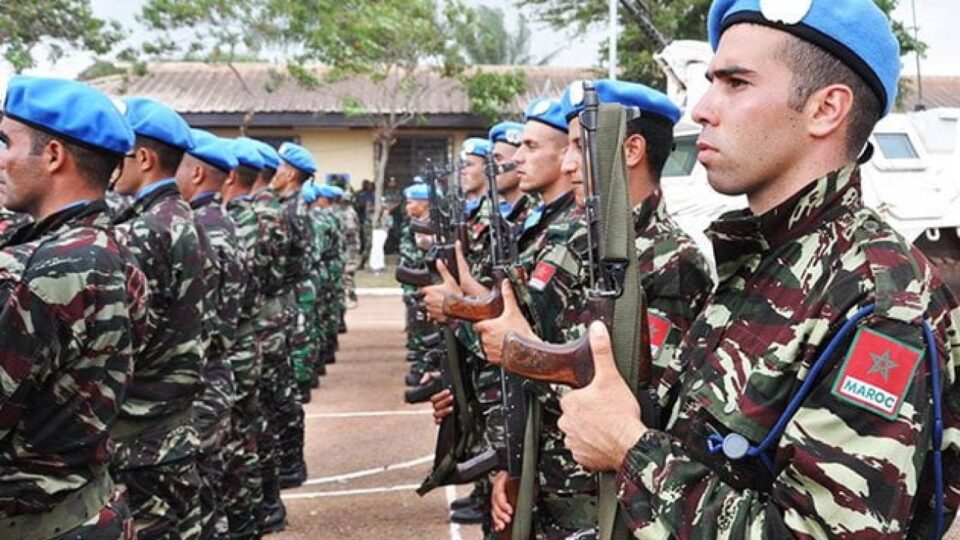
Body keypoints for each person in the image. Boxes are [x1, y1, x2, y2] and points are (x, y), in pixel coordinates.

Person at [558, 1, 960, 537]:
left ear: (826, 109)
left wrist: (629, 449)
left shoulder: (882, 303)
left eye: (736, 83)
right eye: (710, 82)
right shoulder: (761, 259)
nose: (701, 109)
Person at [0, 75, 149, 540]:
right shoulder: (114, 248)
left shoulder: (39, 272)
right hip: (85, 506)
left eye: (6, 142)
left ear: (52, 155)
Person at [110, 96, 207, 540]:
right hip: (170, 421)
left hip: (141, 433)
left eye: (122, 154)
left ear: (144, 158)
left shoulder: (143, 231)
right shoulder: (182, 218)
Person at [175, 128, 245, 539]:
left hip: (198, 382)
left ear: (197, 172)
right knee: (210, 489)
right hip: (218, 369)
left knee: (195, 500)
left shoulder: (199, 229)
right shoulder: (223, 224)